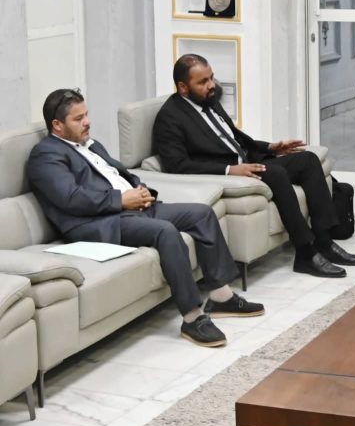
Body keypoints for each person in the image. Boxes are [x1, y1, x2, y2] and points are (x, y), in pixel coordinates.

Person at [27, 89, 264, 348]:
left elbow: (121, 174)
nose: (87, 122)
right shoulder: (46, 155)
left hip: (132, 208)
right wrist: (121, 200)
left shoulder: (91, 145)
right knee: (165, 231)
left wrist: (140, 190)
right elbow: (71, 198)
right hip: (98, 223)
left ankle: (221, 297)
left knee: (202, 214)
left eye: (86, 115)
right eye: (78, 118)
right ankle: (192, 317)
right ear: (57, 125)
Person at [152, 54, 355, 279]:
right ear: (183, 87)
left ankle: (324, 241)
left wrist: (271, 147)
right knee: (276, 173)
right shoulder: (169, 118)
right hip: (227, 173)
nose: (211, 85)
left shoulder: (208, 100)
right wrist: (229, 170)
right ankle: (305, 253)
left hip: (247, 162)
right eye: (203, 82)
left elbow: (235, 140)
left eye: (211, 77)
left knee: (308, 160)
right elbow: (177, 165)